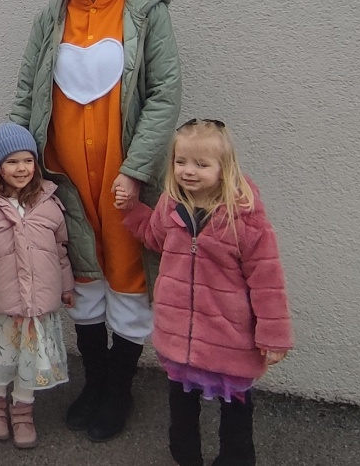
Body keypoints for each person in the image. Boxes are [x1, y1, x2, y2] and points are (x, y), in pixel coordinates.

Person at [8, 0, 182, 441]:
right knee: (82, 272)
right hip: (63, 175)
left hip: (123, 177)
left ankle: (119, 389)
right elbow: (26, 92)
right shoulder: (50, 16)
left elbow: (164, 93)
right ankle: (96, 380)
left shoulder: (146, 13)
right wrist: (15, 163)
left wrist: (136, 169)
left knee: (127, 273)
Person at [118, 119, 291, 466]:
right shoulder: (170, 206)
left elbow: (267, 280)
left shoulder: (245, 219)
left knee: (236, 418)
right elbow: (154, 237)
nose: (188, 171)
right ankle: (186, 458)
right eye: (181, 161)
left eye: (201, 164)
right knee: (181, 414)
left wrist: (273, 335)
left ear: (223, 168)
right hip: (179, 336)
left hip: (229, 338)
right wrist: (131, 209)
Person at [0, 123, 77, 449]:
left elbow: (60, 251)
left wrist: (66, 286)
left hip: (37, 307)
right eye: (12, 162)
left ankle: (23, 411)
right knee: (0, 360)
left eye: (28, 161)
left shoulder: (49, 204)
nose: (21, 169)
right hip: (1, 305)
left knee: (30, 360)